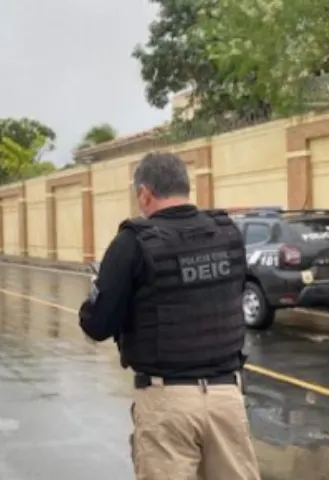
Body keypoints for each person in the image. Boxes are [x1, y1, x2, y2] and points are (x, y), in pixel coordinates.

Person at [78, 152, 260, 480]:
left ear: (145, 193)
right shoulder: (227, 233)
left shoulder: (132, 243)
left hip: (167, 402)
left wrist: (100, 291)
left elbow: (97, 324)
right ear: (185, 188)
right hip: (227, 398)